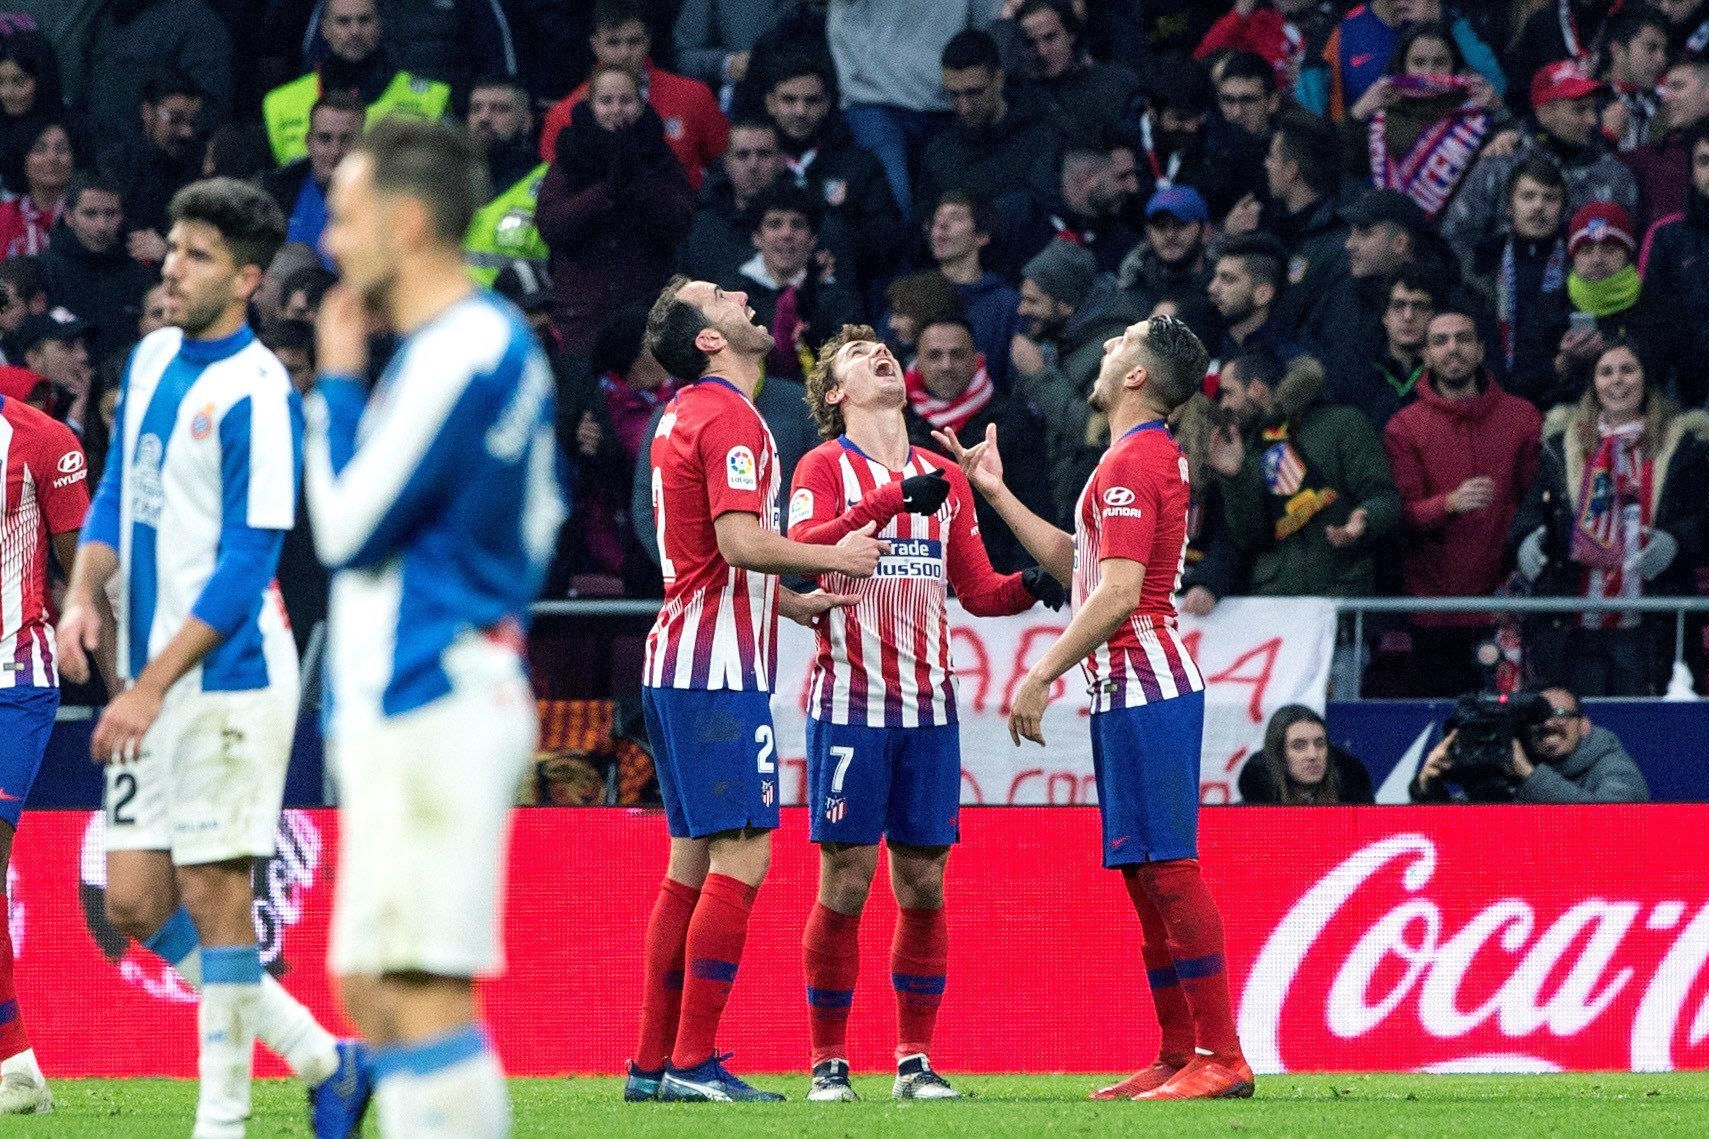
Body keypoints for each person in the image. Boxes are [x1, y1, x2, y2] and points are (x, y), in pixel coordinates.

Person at [57, 177, 367, 1139]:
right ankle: (326, 1059)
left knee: (217, 893)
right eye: (173, 247)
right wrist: (80, 594)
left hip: (228, 683)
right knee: (139, 899)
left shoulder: (260, 394)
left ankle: (221, 1121)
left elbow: (246, 567)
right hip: (147, 684)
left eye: (193, 255)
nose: (170, 267)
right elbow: (116, 489)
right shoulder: (151, 358)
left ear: (244, 279)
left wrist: (147, 684)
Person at [308, 117, 565, 1136]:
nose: (331, 240)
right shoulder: (489, 349)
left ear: (406, 222)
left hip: (435, 696)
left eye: (346, 214)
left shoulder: (457, 353)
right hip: (429, 689)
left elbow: (344, 525)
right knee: (369, 982)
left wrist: (332, 379)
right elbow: (539, 515)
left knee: (418, 988)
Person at [941, 314, 1253, 1100]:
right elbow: (1079, 564)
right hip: (1126, 686)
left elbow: (1115, 593)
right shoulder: (1131, 459)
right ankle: (1180, 1050)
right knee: (1144, 873)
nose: (1107, 348)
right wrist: (995, 491)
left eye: (1120, 343)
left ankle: (1222, 1053)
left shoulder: (1130, 465)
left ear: (1138, 377)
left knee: (1170, 868)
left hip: (1145, 679)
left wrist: (1040, 670)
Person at [626, 276, 884, 1103]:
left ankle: (649, 1063)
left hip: (676, 659)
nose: (739, 293)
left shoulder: (682, 415)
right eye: (719, 296)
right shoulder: (731, 415)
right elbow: (739, 542)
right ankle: (694, 1062)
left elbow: (710, 554)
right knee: (745, 850)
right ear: (708, 338)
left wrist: (790, 597)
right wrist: (832, 558)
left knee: (690, 862)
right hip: (716, 671)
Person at [788, 324, 1062, 1102]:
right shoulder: (823, 466)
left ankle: (913, 1060)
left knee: (924, 882)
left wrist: (1033, 588)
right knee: (845, 879)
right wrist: (888, 499)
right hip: (848, 700)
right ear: (835, 393)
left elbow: (975, 590)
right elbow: (799, 544)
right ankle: (828, 1062)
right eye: (855, 355)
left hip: (928, 706)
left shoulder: (944, 474)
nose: (878, 355)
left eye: (882, 350)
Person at [0, 339, 94, 1115]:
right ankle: (17, 1065)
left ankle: (15, 1060)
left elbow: (84, 572)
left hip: (14, 680)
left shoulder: (43, 440)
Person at [1512, 340, 1709, 697]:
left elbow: (1704, 519)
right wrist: (1528, 538)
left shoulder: (1684, 446)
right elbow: (1529, 513)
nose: (1617, 380)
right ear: (1594, 384)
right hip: (1574, 622)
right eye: (1606, 372)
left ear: (1646, 379)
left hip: (1649, 625)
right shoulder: (1563, 446)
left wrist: (1677, 540)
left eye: (1627, 370)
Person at [1383, 312, 1542, 697]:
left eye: (1463, 338)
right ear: (1425, 354)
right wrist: (1449, 503)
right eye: (1440, 341)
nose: (1452, 348)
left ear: (1481, 349)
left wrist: (1518, 582)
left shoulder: (1522, 418)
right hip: (1435, 612)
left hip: (1506, 609)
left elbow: (1536, 511)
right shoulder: (1404, 426)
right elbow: (1401, 516)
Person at [537, 65, 696, 355]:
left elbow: (679, 221)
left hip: (645, 320)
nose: (616, 110)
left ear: (640, 104)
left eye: (626, 101)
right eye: (606, 101)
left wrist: (638, 181)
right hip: (581, 319)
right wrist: (605, 192)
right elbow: (552, 225)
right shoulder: (570, 155)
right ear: (591, 106)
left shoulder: (660, 156)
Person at [1441, 60, 1637, 259]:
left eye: (1593, 109)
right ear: (1544, 112)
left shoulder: (1614, 174)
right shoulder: (1501, 163)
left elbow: (1625, 251)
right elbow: (1455, 240)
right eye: (1579, 110)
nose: (1593, 120)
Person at [1011, 239, 1144, 524]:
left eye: (1033, 301)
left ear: (1067, 305)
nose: (1021, 310)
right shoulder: (1058, 341)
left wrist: (1038, 376)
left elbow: (1096, 431)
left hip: (1095, 512)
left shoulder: (1115, 351)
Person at [905, 314, 1050, 573]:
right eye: (935, 356)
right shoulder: (898, 423)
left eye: (957, 355)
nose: (946, 365)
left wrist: (1025, 584)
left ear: (976, 359)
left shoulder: (1012, 421)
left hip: (997, 578)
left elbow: (1034, 506)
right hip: (916, 581)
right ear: (918, 362)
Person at [539, 0, 729, 192]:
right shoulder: (563, 115)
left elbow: (726, 167)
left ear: (648, 42)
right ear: (595, 45)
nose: (625, 53)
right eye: (613, 43)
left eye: (634, 41)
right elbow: (554, 196)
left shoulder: (693, 96)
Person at [761, 53, 905, 288]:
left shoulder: (859, 164)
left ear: (827, 104)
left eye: (811, 101)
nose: (800, 111)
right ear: (771, 103)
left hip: (840, 289)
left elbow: (886, 238)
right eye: (789, 100)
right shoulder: (749, 160)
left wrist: (833, 247)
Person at [262, 0, 450, 167]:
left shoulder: (431, 98)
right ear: (325, 29)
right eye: (343, 21)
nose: (355, 31)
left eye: (364, 20)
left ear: (379, 25)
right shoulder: (280, 103)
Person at [1345, 23, 1500, 221]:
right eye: (1419, 63)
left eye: (1440, 62)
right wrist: (1358, 113)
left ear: (1454, 65)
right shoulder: (1383, 114)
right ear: (1403, 65)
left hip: (1456, 232)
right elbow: (1349, 165)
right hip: (1393, 233)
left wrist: (1498, 110)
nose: (1429, 72)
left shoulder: (1474, 113)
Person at [722, 180, 862, 382]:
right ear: (756, 237)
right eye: (774, 224)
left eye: (797, 224)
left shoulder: (838, 300)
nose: (786, 234)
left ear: (813, 238)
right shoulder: (733, 295)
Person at [1411, 684, 1649, 803]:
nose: (1548, 724)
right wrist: (1427, 788)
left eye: (1561, 713)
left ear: (1584, 725)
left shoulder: (1611, 765)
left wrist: (1529, 776)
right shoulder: (1512, 762)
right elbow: (1461, 832)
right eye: (1537, 717)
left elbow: (1614, 824)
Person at [916, 29, 1062, 218]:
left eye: (974, 93)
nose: (965, 107)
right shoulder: (939, 155)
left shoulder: (1044, 138)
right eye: (954, 94)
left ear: (999, 79)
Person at [1466, 158, 1569, 409]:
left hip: (1559, 397)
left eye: (1549, 198)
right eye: (1528, 196)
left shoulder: (1579, 260)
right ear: (1510, 205)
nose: (1538, 207)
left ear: (1562, 207)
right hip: (1488, 396)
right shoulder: (1482, 259)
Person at [40, 174, 158, 366]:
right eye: (90, 214)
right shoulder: (44, 273)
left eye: (110, 214)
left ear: (122, 216)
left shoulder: (140, 276)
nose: (102, 225)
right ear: (69, 216)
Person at [97, 68, 208, 260]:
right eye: (175, 119)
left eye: (193, 122)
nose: (187, 132)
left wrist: (169, 251)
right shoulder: (115, 165)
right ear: (147, 112)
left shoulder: (202, 167)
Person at [1636, 123, 1709, 406]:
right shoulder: (1666, 235)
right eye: (1704, 161)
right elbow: (1650, 323)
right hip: (1684, 391)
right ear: (1691, 170)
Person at [1258, 111, 1348, 334]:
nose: (1266, 164)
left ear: (1291, 171)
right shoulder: (1279, 226)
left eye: (1272, 157)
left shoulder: (1339, 240)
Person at [924, 191, 1023, 390]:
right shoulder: (912, 295)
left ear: (982, 236)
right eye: (937, 220)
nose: (941, 226)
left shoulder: (1007, 305)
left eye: (956, 218)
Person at [1007, 0, 1142, 145]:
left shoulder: (1115, 83)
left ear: (1071, 35)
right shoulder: (1016, 101)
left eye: (1050, 38)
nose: (1042, 52)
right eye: (1029, 43)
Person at [1006, 141, 1143, 276]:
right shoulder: (1012, 220)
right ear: (1086, 177)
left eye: (1135, 175)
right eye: (1122, 176)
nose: (1134, 187)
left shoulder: (1126, 247)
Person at [1553, 201, 1645, 401]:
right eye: (1586, 250)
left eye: (1609, 249)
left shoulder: (1656, 308)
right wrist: (1564, 362)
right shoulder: (1551, 307)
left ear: (1627, 255)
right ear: (1573, 256)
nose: (1597, 259)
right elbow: (1521, 383)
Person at [678, 116, 787, 283]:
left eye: (764, 154)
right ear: (727, 163)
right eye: (742, 155)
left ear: (781, 161)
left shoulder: (804, 224)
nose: (753, 165)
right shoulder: (699, 231)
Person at [464, 74, 548, 288]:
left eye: (500, 109)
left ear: (527, 121)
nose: (484, 117)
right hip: (449, 313)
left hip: (522, 312)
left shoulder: (548, 181)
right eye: (476, 108)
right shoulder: (445, 179)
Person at [262, 92, 365, 261]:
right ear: (309, 143)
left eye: (346, 140)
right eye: (325, 139)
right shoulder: (274, 194)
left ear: (363, 145)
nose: (335, 151)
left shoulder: (385, 205)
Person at [1625, 55, 1709, 228]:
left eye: (1677, 87)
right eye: (1667, 88)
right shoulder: (1651, 157)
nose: (1666, 97)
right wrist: (1606, 138)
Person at [1237, 705, 1375, 804]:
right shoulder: (1251, 808)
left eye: (1320, 744)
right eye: (1299, 745)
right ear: (1279, 754)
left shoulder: (1351, 793)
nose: (1313, 755)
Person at [1117, 186, 1214, 320]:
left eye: (1181, 224)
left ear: (1206, 232)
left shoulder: (1222, 285)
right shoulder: (1131, 287)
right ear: (1148, 234)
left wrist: (1184, 311)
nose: (1170, 235)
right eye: (1160, 226)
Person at [1599, 6, 1671, 151]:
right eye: (1651, 48)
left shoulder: (1667, 105)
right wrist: (1606, 138)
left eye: (1664, 50)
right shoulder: (1587, 103)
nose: (1661, 60)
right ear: (1617, 50)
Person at [0, 119, 73, 258]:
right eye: (39, 149)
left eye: (62, 149)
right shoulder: (4, 217)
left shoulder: (90, 213)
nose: (52, 158)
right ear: (22, 160)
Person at [16, 311, 94, 437]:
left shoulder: (81, 397)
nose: (83, 356)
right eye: (68, 346)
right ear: (34, 358)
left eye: (83, 345)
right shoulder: (12, 408)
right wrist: (74, 422)